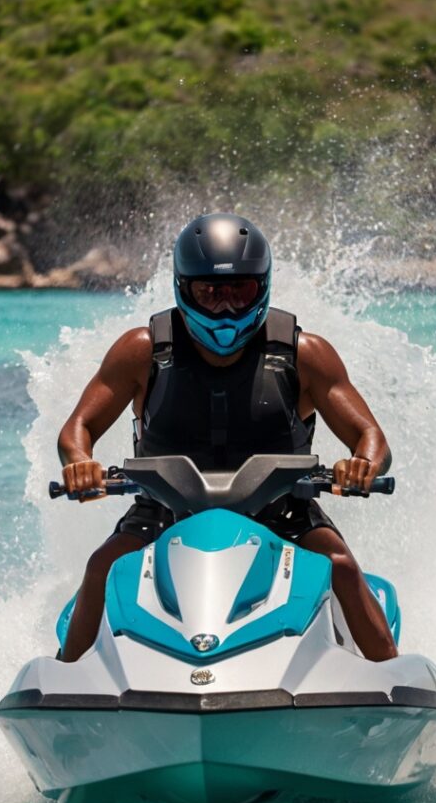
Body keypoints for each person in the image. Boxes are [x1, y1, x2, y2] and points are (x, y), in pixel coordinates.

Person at [57, 213, 398, 663]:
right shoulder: (142, 351)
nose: (226, 308)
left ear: (263, 286)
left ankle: (394, 681)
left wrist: (363, 465)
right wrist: (79, 463)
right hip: (163, 511)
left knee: (340, 566)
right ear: (184, 288)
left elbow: (369, 435)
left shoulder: (304, 354)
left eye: (241, 291)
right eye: (210, 292)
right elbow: (77, 428)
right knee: (102, 567)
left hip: (282, 511)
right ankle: (65, 684)